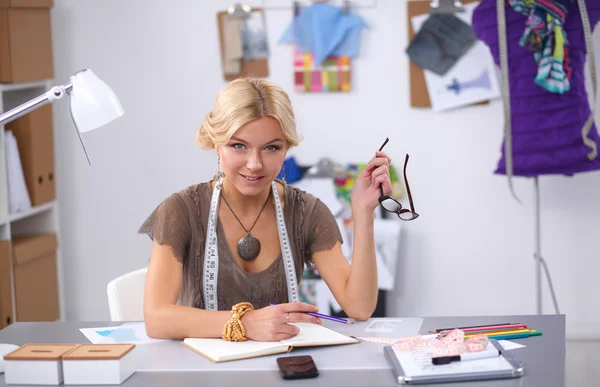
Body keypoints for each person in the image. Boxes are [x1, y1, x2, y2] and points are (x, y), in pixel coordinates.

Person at [139, 77, 393, 342]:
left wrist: (362, 212)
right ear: (217, 144)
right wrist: (245, 323)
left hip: (281, 369)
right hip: (201, 371)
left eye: (271, 147)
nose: (254, 164)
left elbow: (359, 307)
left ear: (288, 148)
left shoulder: (306, 212)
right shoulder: (181, 210)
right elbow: (156, 319)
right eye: (239, 146)